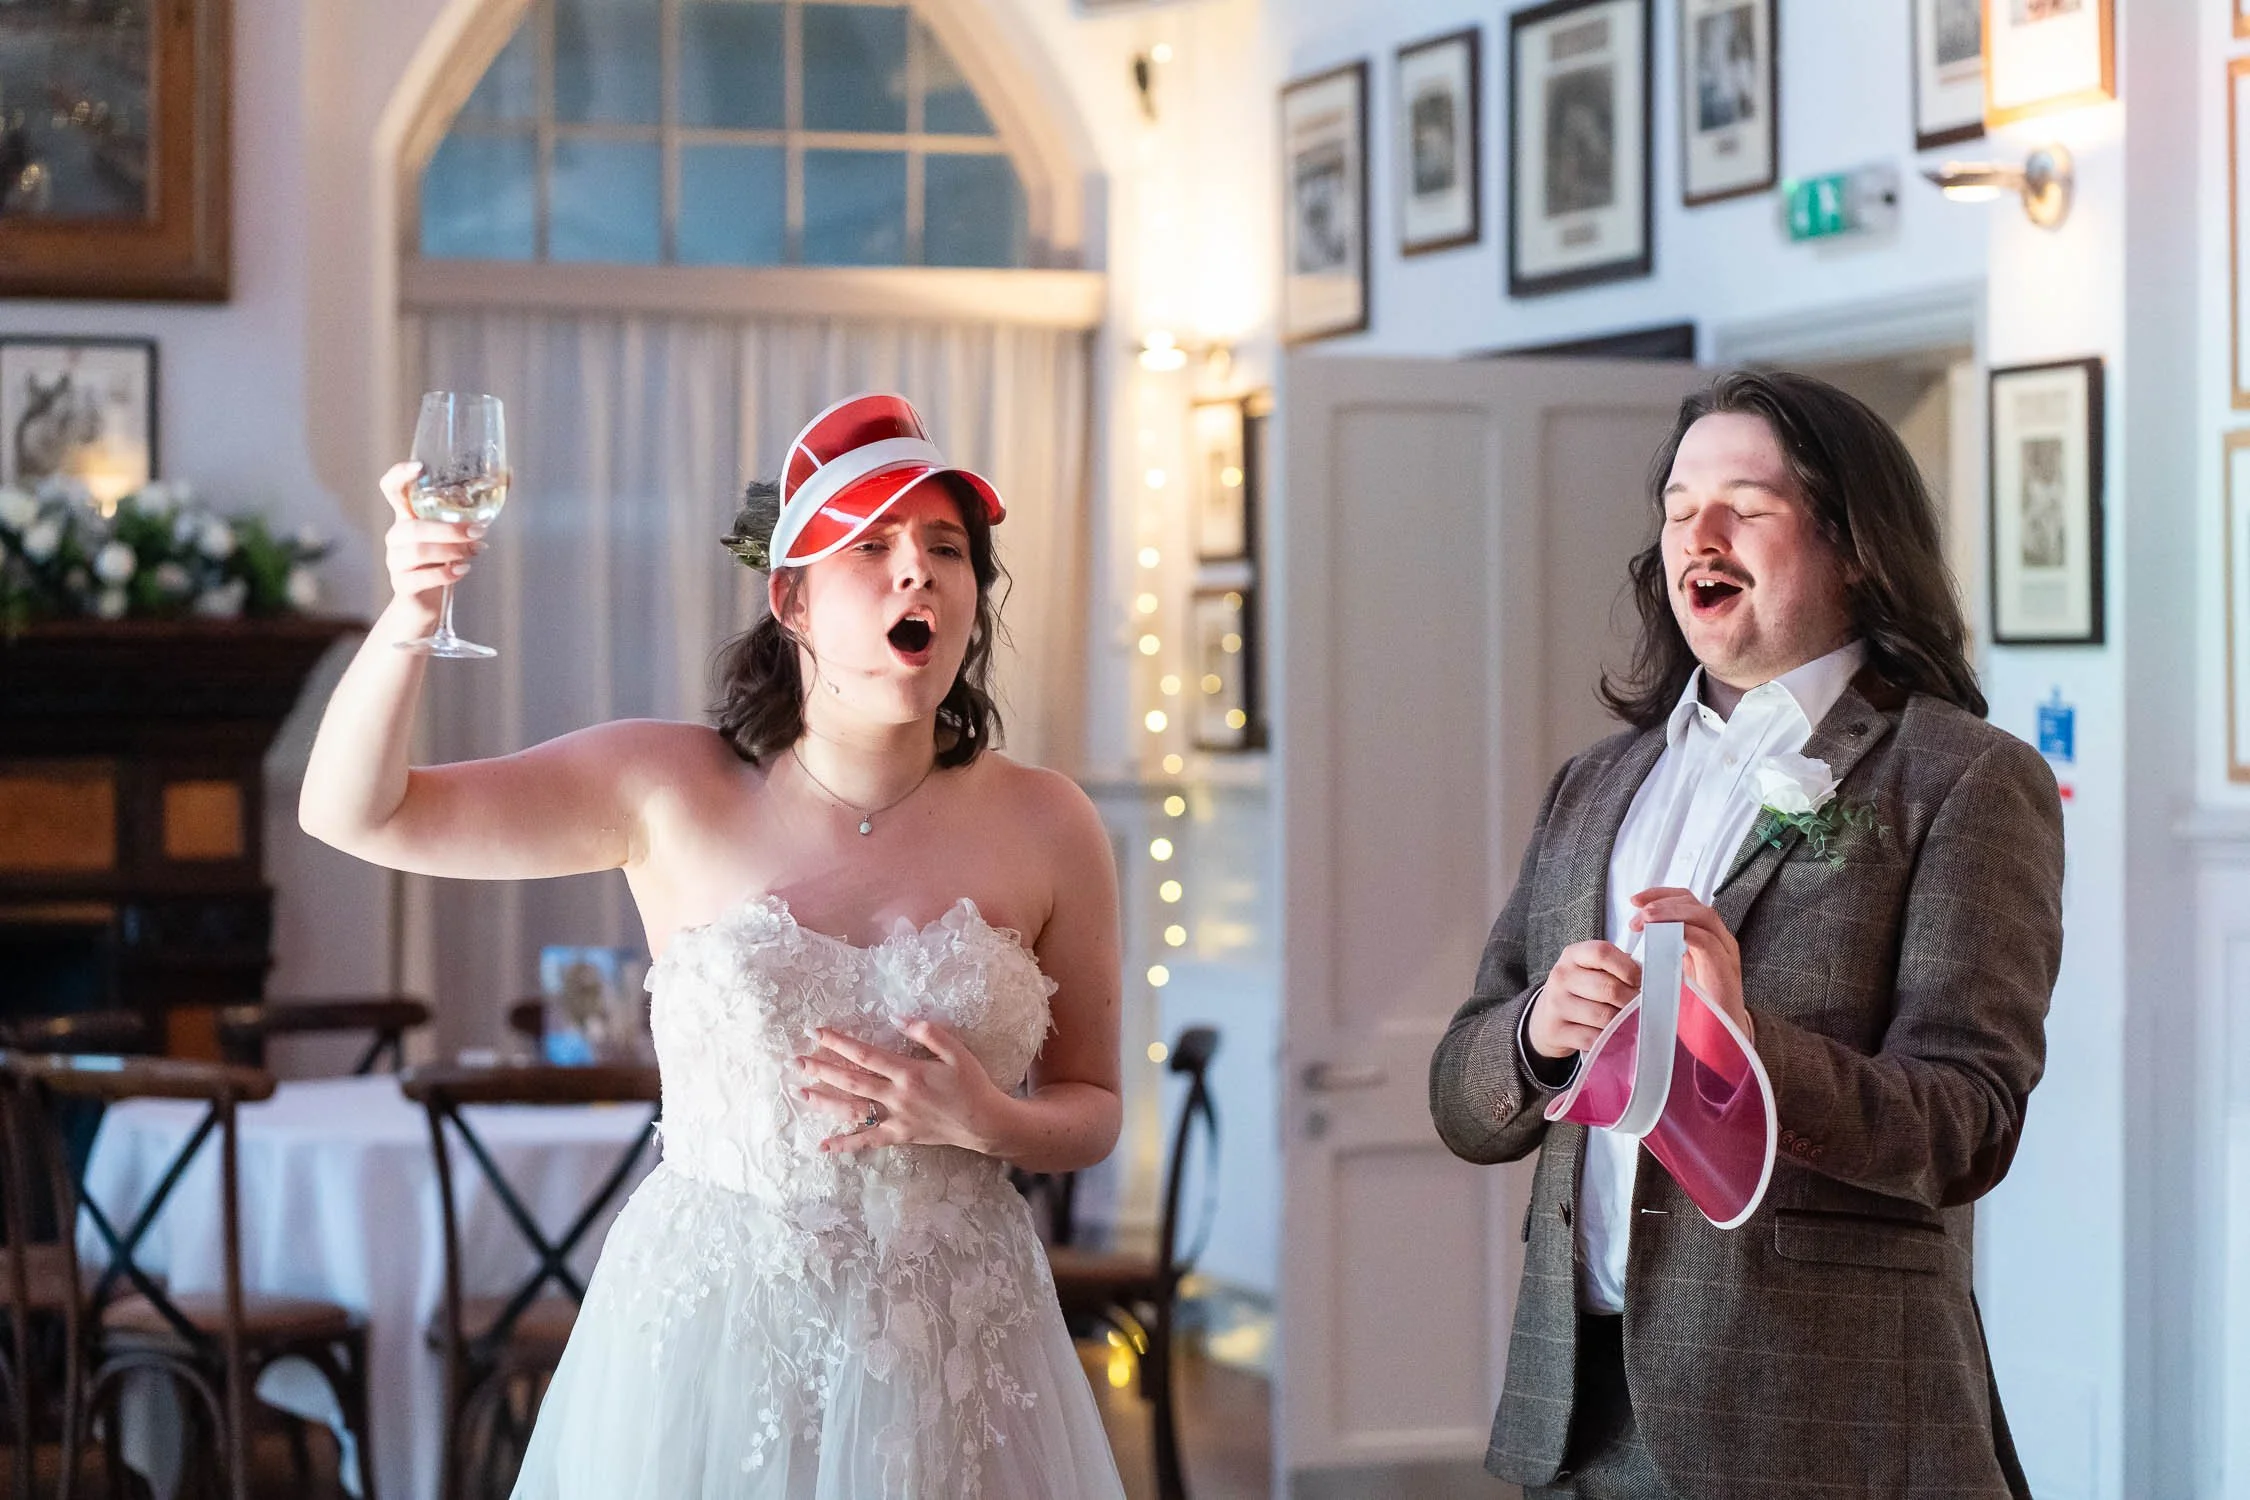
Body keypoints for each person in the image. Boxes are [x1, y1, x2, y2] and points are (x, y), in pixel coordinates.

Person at [300, 393, 1129, 1499]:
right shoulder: (666, 786)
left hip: (957, 1344)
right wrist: (410, 614)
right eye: (871, 546)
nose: (918, 574)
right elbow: (356, 814)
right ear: (790, 597)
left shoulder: (1049, 821)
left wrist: (994, 1121)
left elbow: (1093, 1105)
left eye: (946, 549)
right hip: (717, 1338)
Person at [1428, 371, 2064, 1500]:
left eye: (1746, 506)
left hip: (1821, 1428)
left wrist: (1746, 1043)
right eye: (1678, 509)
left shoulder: (1965, 778)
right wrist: (1535, 1034)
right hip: (1577, 1420)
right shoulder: (1593, 784)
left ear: (1855, 546)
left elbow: (1967, 1126)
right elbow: (1461, 1096)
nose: (1698, 536)